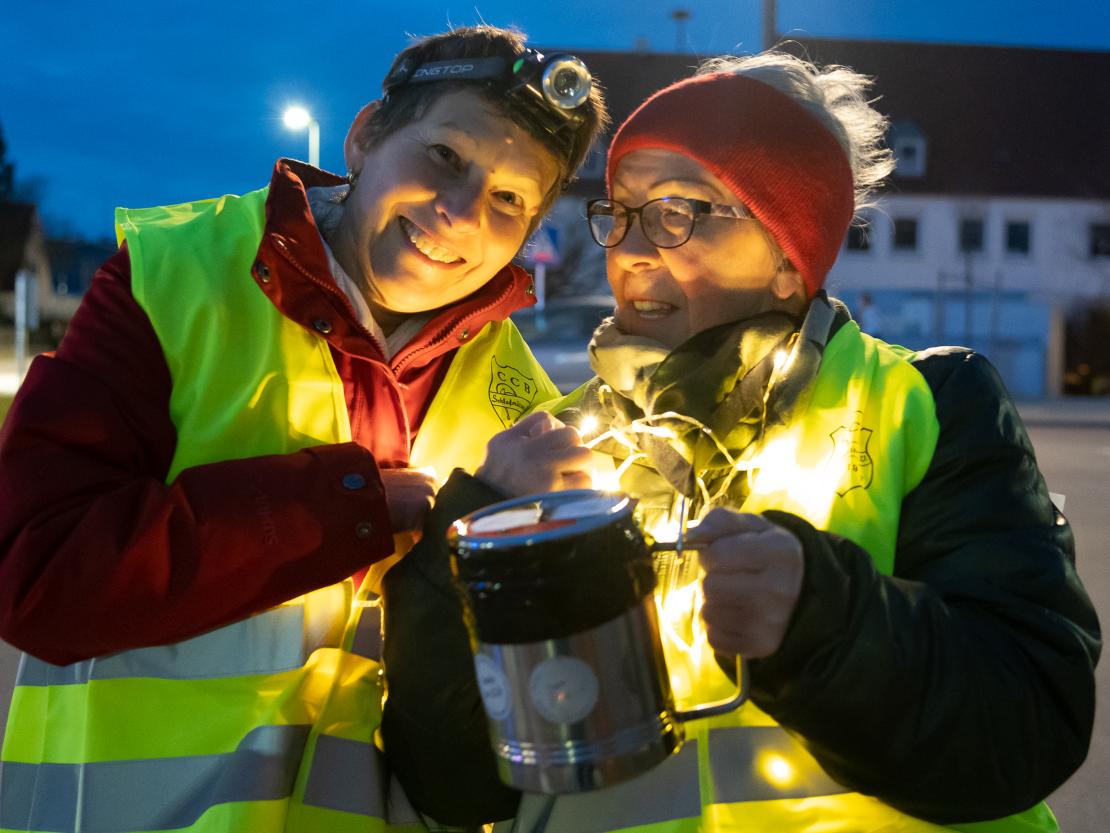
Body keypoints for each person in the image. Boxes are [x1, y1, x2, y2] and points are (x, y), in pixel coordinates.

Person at [378, 51, 1101, 832]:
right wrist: (468, 540)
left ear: (790, 258)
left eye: (677, 212)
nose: (631, 251)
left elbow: (1027, 726)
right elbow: (455, 786)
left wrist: (823, 622)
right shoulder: (547, 448)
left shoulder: (925, 405)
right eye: (620, 212)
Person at [0, 25, 606, 833]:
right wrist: (341, 507)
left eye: (509, 201)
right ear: (365, 137)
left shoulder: (520, 405)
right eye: (444, 156)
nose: (461, 213)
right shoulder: (170, 281)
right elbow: (36, 576)